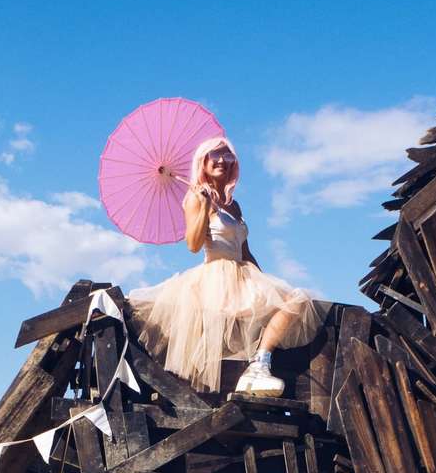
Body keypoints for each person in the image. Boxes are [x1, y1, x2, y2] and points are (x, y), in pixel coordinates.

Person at [130, 137, 327, 395]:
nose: (222, 160)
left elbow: (245, 251)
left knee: (295, 301)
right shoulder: (195, 198)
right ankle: (237, 376)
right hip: (216, 273)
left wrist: (266, 284)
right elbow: (192, 244)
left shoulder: (234, 204)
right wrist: (203, 206)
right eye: (215, 155)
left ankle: (259, 364)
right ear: (203, 162)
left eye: (228, 155)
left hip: (243, 272)